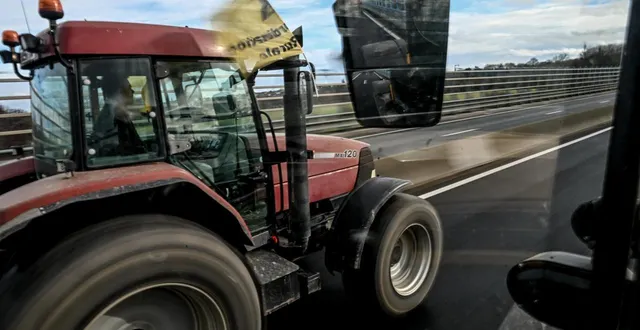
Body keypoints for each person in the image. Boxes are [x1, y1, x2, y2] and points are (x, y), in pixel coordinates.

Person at [92, 74, 144, 156]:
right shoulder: (113, 117)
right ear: (120, 91)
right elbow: (114, 150)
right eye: (129, 88)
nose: (133, 91)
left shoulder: (116, 113)